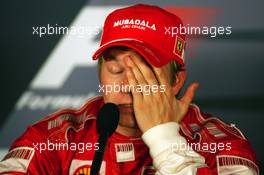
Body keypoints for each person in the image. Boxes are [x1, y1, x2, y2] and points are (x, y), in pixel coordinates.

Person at [0, 4, 259, 175]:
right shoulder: (54, 137)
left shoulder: (222, 143)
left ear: (176, 81)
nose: (125, 88)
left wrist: (165, 140)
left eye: (142, 74)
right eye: (114, 70)